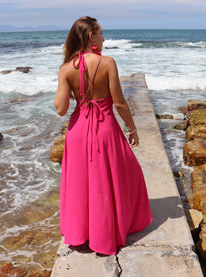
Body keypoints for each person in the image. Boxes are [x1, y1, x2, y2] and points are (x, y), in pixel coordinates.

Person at [54, 16, 152, 255]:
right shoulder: (107, 62)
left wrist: (68, 81)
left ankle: (80, 235)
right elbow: (119, 102)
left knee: (81, 182)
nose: (104, 38)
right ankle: (106, 233)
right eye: (100, 33)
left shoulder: (66, 68)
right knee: (113, 179)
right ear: (91, 36)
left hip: (78, 130)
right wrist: (132, 129)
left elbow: (61, 109)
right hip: (105, 127)